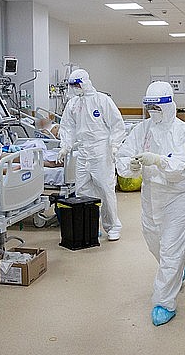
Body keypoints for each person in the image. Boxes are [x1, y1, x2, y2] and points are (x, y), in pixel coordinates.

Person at [116, 81, 185, 326]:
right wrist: (129, 167)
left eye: (157, 106)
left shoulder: (182, 132)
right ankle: (176, 271)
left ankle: (164, 302)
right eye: (149, 106)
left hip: (177, 195)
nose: (153, 111)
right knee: (153, 239)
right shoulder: (142, 130)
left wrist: (159, 161)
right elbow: (123, 154)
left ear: (169, 106)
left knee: (171, 248)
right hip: (151, 194)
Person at [57, 68, 125, 241]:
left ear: (86, 82)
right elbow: (67, 127)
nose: (75, 88)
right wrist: (65, 146)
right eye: (72, 85)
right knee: (82, 190)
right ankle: (90, 225)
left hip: (101, 150)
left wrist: (114, 145)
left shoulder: (102, 100)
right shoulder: (72, 104)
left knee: (106, 189)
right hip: (83, 152)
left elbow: (117, 124)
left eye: (77, 84)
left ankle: (113, 226)